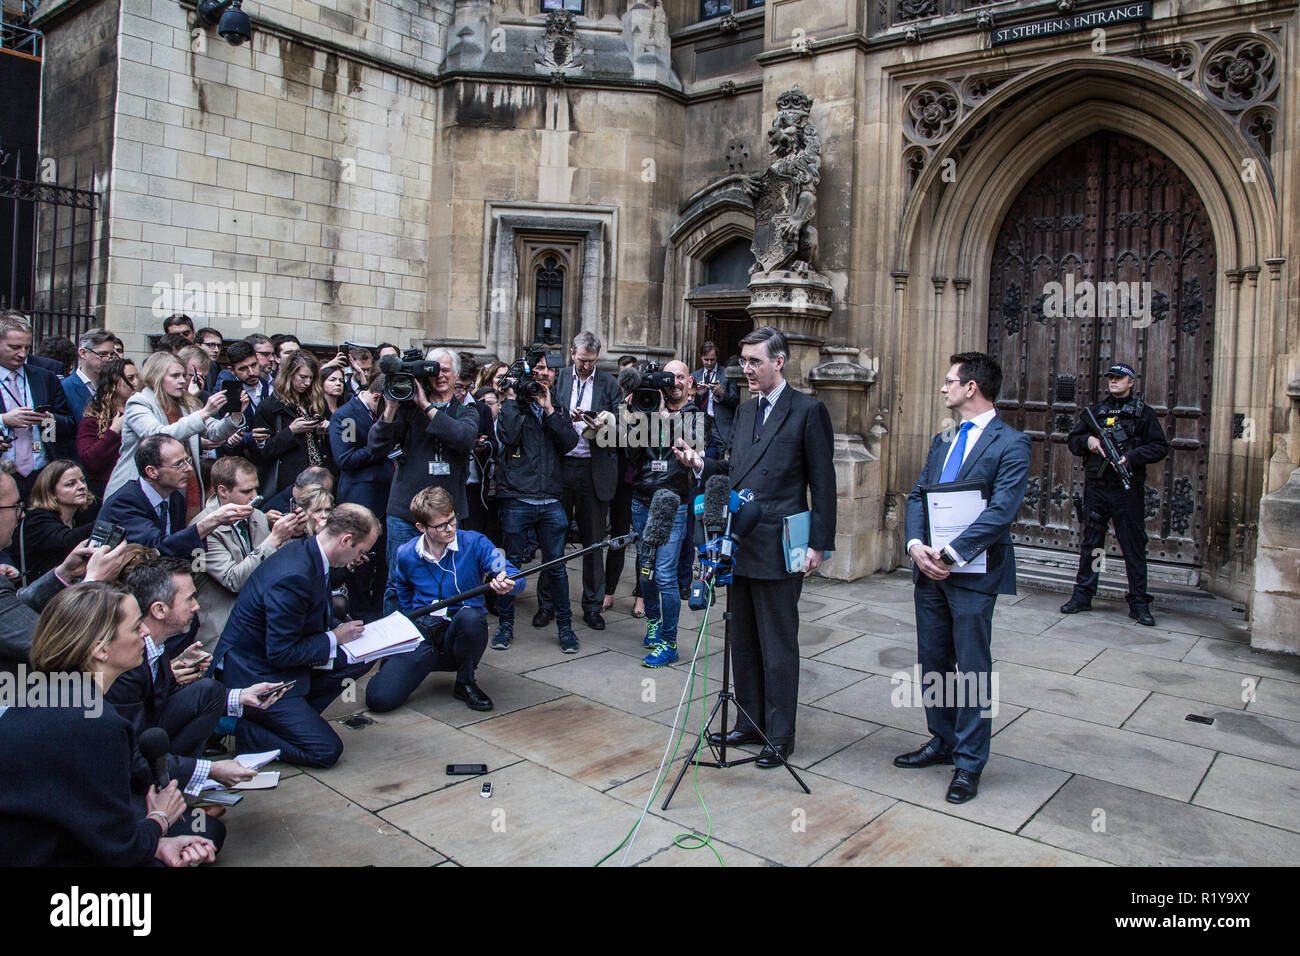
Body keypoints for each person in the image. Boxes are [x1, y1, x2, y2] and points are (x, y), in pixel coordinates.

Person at [675, 326, 836, 768]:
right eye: (743, 361)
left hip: (782, 545)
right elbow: (733, 466)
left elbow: (823, 484)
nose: (746, 369)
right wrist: (700, 463)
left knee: (777, 643)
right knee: (741, 638)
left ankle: (780, 735)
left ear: (778, 362)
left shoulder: (808, 411)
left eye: (754, 362)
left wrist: (819, 544)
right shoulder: (745, 412)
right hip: (739, 538)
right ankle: (748, 721)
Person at [0, 582, 218, 866]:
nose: (145, 632)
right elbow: (118, 849)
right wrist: (159, 820)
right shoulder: (96, 722)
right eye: (135, 626)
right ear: (101, 650)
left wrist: (155, 841)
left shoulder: (37, 695)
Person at [897, 351, 1031, 805]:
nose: (943, 388)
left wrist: (952, 554)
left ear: (970, 387)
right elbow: (918, 494)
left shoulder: (1011, 444)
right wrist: (916, 547)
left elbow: (1001, 511)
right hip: (929, 569)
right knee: (933, 660)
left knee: (972, 668)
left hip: (973, 572)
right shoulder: (944, 438)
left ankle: (970, 763)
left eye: (950, 381)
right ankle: (943, 739)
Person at [212, 504, 379, 768]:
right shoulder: (294, 575)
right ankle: (243, 729)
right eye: (360, 551)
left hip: (278, 659)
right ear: (346, 540)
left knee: (363, 657)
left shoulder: (310, 552)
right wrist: (334, 637)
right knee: (326, 750)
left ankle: (295, 718)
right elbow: (280, 652)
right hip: (255, 673)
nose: (359, 558)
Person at [111, 557, 288, 799]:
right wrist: (211, 770)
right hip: (124, 771)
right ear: (160, 610)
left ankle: (174, 786)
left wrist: (241, 696)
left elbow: (165, 697)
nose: (196, 606)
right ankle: (157, 797)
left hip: (148, 738)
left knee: (209, 691)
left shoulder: (156, 645)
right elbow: (129, 757)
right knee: (212, 834)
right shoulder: (127, 665)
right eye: (189, 599)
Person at [366, 487, 522, 714]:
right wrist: (415, 622)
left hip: (461, 629)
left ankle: (465, 681)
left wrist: (506, 579)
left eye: (452, 520)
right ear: (421, 527)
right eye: (440, 525)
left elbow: (505, 568)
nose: (450, 528)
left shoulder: (476, 542)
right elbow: (403, 589)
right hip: (425, 631)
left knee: (470, 617)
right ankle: (412, 662)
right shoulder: (406, 553)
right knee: (379, 699)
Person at [366, 347, 477, 613]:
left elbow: (462, 438)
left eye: (446, 370)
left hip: (446, 515)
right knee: (397, 581)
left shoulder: (466, 411)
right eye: (435, 370)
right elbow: (376, 445)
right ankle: (395, 644)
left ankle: (433, 638)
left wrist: (425, 406)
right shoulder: (406, 410)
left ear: (457, 374)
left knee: (444, 578)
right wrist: (392, 406)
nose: (440, 376)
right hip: (405, 511)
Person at [1061, 362, 1170, 626]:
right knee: (1092, 544)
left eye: (1119, 378)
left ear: (1131, 382)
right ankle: (1083, 595)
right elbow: (1074, 441)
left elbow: (1159, 447)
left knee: (1133, 546)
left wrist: (1130, 456)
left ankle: (1139, 602)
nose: (1113, 381)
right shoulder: (1095, 412)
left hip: (1127, 489)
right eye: (1110, 377)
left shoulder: (1143, 413)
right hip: (1097, 488)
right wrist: (1089, 442)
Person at [0, 462, 132, 672]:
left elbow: (16, 606)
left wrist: (64, 573)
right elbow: (50, 647)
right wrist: (92, 583)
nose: (21, 515)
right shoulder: (39, 518)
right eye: (15, 506)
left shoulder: (82, 514)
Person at [491, 347, 581, 653]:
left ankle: (566, 628)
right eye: (539, 369)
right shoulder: (513, 403)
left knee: (556, 567)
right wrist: (513, 400)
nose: (544, 374)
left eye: (550, 370)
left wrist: (549, 409)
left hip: (551, 499)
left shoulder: (557, 405)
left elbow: (569, 442)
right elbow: (507, 436)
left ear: (556, 376)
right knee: (511, 567)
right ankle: (505, 626)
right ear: (529, 371)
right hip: (518, 497)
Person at [625, 360, 707, 667]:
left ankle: (669, 642)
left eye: (680, 377)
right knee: (645, 569)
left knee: (665, 574)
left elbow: (694, 450)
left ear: (689, 383)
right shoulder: (645, 409)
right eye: (669, 377)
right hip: (642, 499)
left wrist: (662, 418)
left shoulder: (694, 417)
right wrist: (636, 416)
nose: (673, 383)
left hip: (673, 503)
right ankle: (654, 623)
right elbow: (630, 456)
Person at [104, 350, 247, 510]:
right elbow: (158, 438)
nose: (182, 381)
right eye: (175, 376)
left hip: (179, 485)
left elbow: (215, 432)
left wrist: (235, 415)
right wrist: (204, 412)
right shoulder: (139, 402)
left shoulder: (185, 402)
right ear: (156, 377)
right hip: (137, 489)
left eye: (183, 376)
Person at [191, 456, 308, 651]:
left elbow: (274, 563)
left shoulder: (255, 515)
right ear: (222, 491)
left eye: (256, 488)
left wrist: (294, 534)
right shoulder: (203, 529)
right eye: (246, 491)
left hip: (260, 620)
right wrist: (274, 539)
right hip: (224, 631)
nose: (255, 496)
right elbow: (234, 581)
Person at [545, 330, 619, 631]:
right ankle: (548, 603)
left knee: (593, 542)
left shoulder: (609, 383)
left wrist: (603, 424)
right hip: (561, 467)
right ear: (572, 353)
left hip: (593, 468)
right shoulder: (559, 379)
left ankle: (592, 606)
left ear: (597, 357)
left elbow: (622, 428)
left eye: (591, 361)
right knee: (554, 540)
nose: (586, 366)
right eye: (581, 360)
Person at [100, 435, 252, 555]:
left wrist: (196, 573)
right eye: (179, 464)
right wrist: (213, 520)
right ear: (152, 471)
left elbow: (185, 552)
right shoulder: (123, 503)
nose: (189, 468)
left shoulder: (175, 498)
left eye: (188, 460)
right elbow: (157, 549)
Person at [329, 378, 391, 620]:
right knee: (359, 563)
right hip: (360, 500)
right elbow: (346, 458)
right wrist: (380, 450)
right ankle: (362, 613)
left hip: (385, 500)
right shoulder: (348, 416)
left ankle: (379, 611)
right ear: (377, 398)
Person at [0, 313, 77, 496]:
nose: (22, 354)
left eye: (27, 347)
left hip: (41, 473)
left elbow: (69, 424)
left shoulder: (44, 377)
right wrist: (4, 420)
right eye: (14, 347)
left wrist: (49, 421)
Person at [251, 349, 335, 498]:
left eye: (311, 378)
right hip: (290, 483)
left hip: (320, 477)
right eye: (302, 377)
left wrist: (328, 429)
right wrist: (290, 431)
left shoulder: (316, 403)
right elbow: (262, 452)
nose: (307, 383)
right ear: (289, 374)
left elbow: (343, 438)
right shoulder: (269, 406)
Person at [13, 459, 96, 584]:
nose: (82, 486)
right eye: (71, 484)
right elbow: (65, 541)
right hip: (36, 595)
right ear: (51, 492)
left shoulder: (81, 515)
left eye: (82, 480)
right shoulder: (37, 518)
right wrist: (105, 522)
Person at [77, 358, 136, 502]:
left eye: (137, 377)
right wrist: (114, 430)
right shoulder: (93, 418)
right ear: (113, 382)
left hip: (135, 485)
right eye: (130, 378)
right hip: (103, 490)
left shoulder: (141, 413)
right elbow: (90, 460)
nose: (136, 383)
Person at [693, 340, 740, 459]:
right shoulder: (694, 375)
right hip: (700, 422)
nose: (709, 363)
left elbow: (736, 401)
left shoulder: (727, 374)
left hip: (720, 424)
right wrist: (698, 395)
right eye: (706, 359)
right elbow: (689, 404)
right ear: (700, 357)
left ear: (717, 357)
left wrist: (722, 394)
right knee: (699, 454)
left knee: (721, 456)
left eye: (712, 359)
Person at [60, 328, 117, 422]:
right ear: (83, 353)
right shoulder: (65, 388)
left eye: (111, 355)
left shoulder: (113, 386)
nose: (108, 359)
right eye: (102, 354)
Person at [196, 327, 224, 392]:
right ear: (197, 346)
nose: (216, 350)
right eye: (211, 345)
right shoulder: (190, 367)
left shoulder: (215, 367)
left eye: (219, 346)